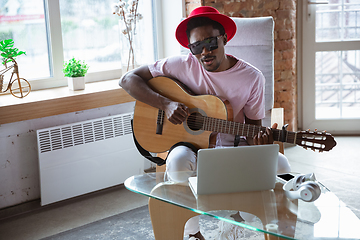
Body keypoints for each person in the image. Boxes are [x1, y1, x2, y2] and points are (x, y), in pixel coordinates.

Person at [119, 6, 291, 240]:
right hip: (190, 146)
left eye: (211, 42)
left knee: (281, 164)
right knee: (178, 161)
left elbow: (253, 129)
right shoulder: (179, 65)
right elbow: (128, 79)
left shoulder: (252, 77)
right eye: (196, 46)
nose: (204, 52)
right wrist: (166, 105)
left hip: (235, 146)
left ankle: (245, 219)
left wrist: (261, 139)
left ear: (225, 38)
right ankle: (192, 233)